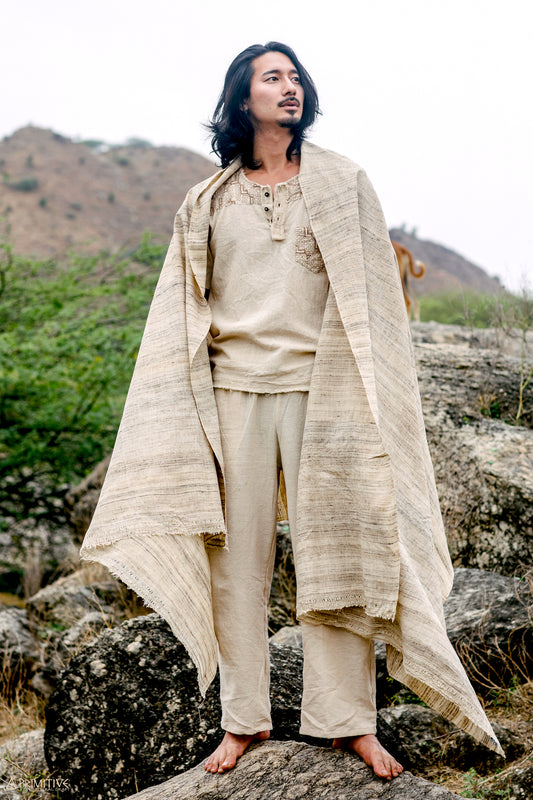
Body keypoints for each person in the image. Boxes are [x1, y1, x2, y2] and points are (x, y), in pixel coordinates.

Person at [80, 41, 502, 786]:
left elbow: (375, 307)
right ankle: (242, 720)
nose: (290, 86)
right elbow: (178, 314)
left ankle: (348, 725)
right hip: (235, 393)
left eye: (295, 76)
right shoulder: (206, 199)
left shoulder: (342, 184)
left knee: (338, 552)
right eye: (271, 77)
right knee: (235, 564)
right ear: (242, 99)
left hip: (324, 391)